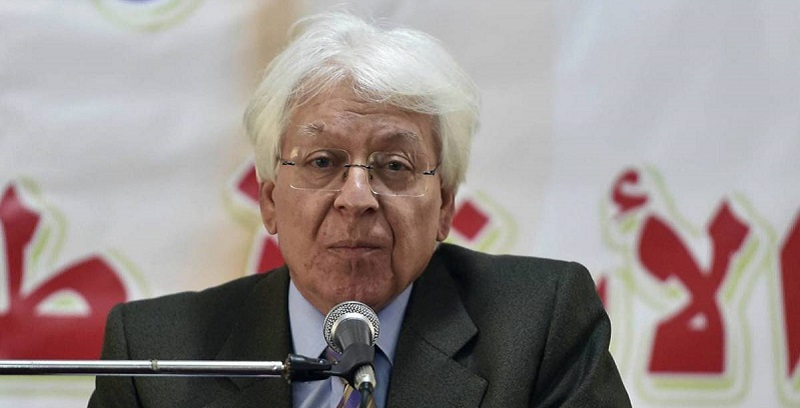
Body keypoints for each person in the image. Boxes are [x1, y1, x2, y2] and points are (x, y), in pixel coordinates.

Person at [89, 11, 630, 408]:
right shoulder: (157, 355)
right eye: (322, 162)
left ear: (444, 204)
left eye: (394, 166)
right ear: (270, 200)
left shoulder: (538, 328)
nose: (356, 198)